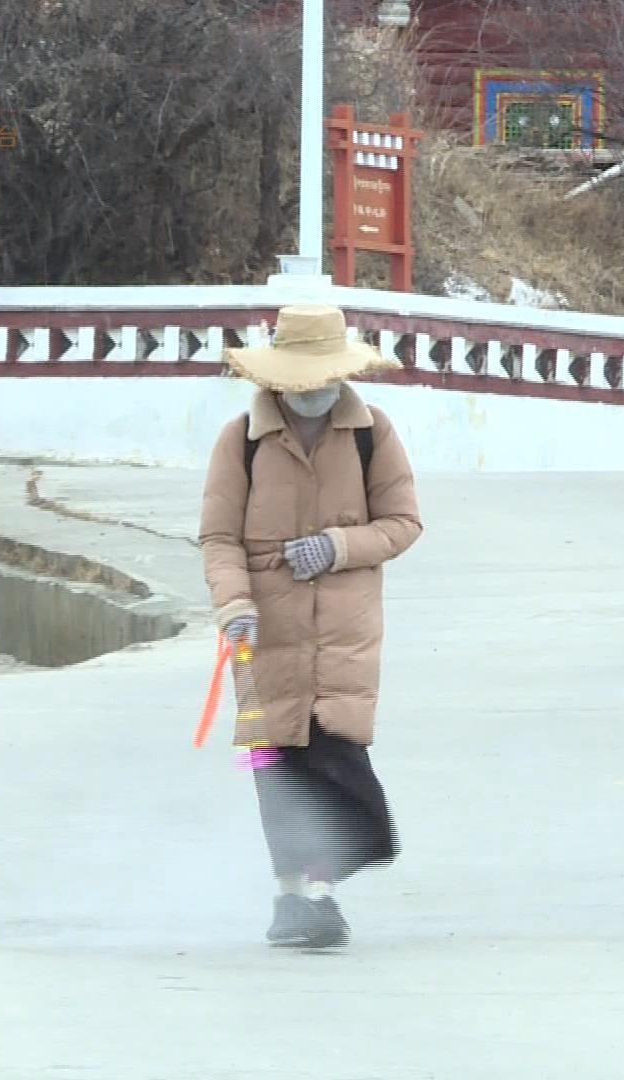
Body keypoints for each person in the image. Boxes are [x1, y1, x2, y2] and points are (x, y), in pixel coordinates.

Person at [199, 304, 424, 949]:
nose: (312, 389)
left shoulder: (371, 433)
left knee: (337, 760)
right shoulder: (240, 441)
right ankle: (294, 899)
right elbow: (219, 538)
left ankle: (319, 891)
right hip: (264, 633)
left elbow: (404, 523)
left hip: (343, 635)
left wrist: (337, 547)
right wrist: (234, 604)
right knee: (278, 769)